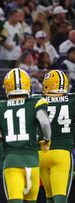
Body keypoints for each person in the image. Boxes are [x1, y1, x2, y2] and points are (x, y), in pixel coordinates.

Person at [0, 68, 52, 203]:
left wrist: (5, 137)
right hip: (32, 162)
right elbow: (45, 125)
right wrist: (45, 139)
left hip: (12, 162)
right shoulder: (36, 102)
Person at [39, 69, 75, 203]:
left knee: (49, 198)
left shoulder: (37, 100)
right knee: (60, 198)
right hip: (62, 153)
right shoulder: (72, 99)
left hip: (41, 153)